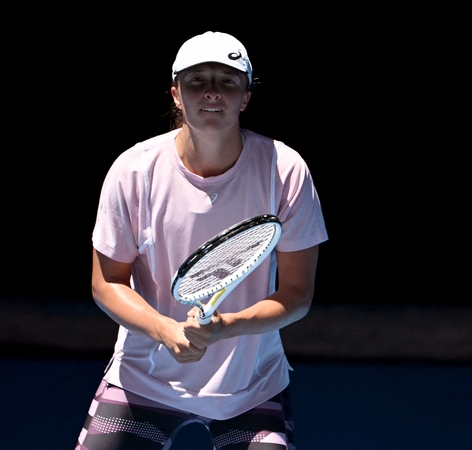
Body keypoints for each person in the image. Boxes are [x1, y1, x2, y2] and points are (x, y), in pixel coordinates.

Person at [75, 31, 328, 450]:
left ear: (245, 96)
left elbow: (297, 294)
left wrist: (225, 327)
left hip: (250, 388)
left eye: (227, 81)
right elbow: (107, 282)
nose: (212, 92)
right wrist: (163, 330)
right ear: (176, 94)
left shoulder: (284, 170)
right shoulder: (133, 171)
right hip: (143, 382)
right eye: (197, 81)